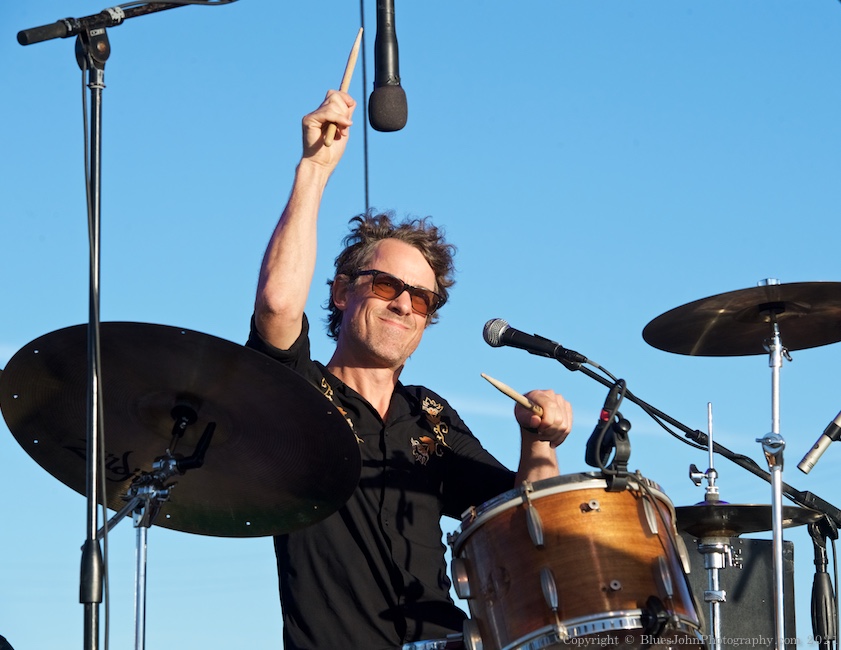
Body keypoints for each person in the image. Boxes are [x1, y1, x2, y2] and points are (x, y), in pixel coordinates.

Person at [246, 89, 574, 650]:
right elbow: (278, 304)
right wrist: (316, 168)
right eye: (387, 287)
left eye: (421, 300)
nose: (404, 305)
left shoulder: (429, 413)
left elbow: (527, 523)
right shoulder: (297, 390)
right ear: (341, 294)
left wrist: (539, 441)